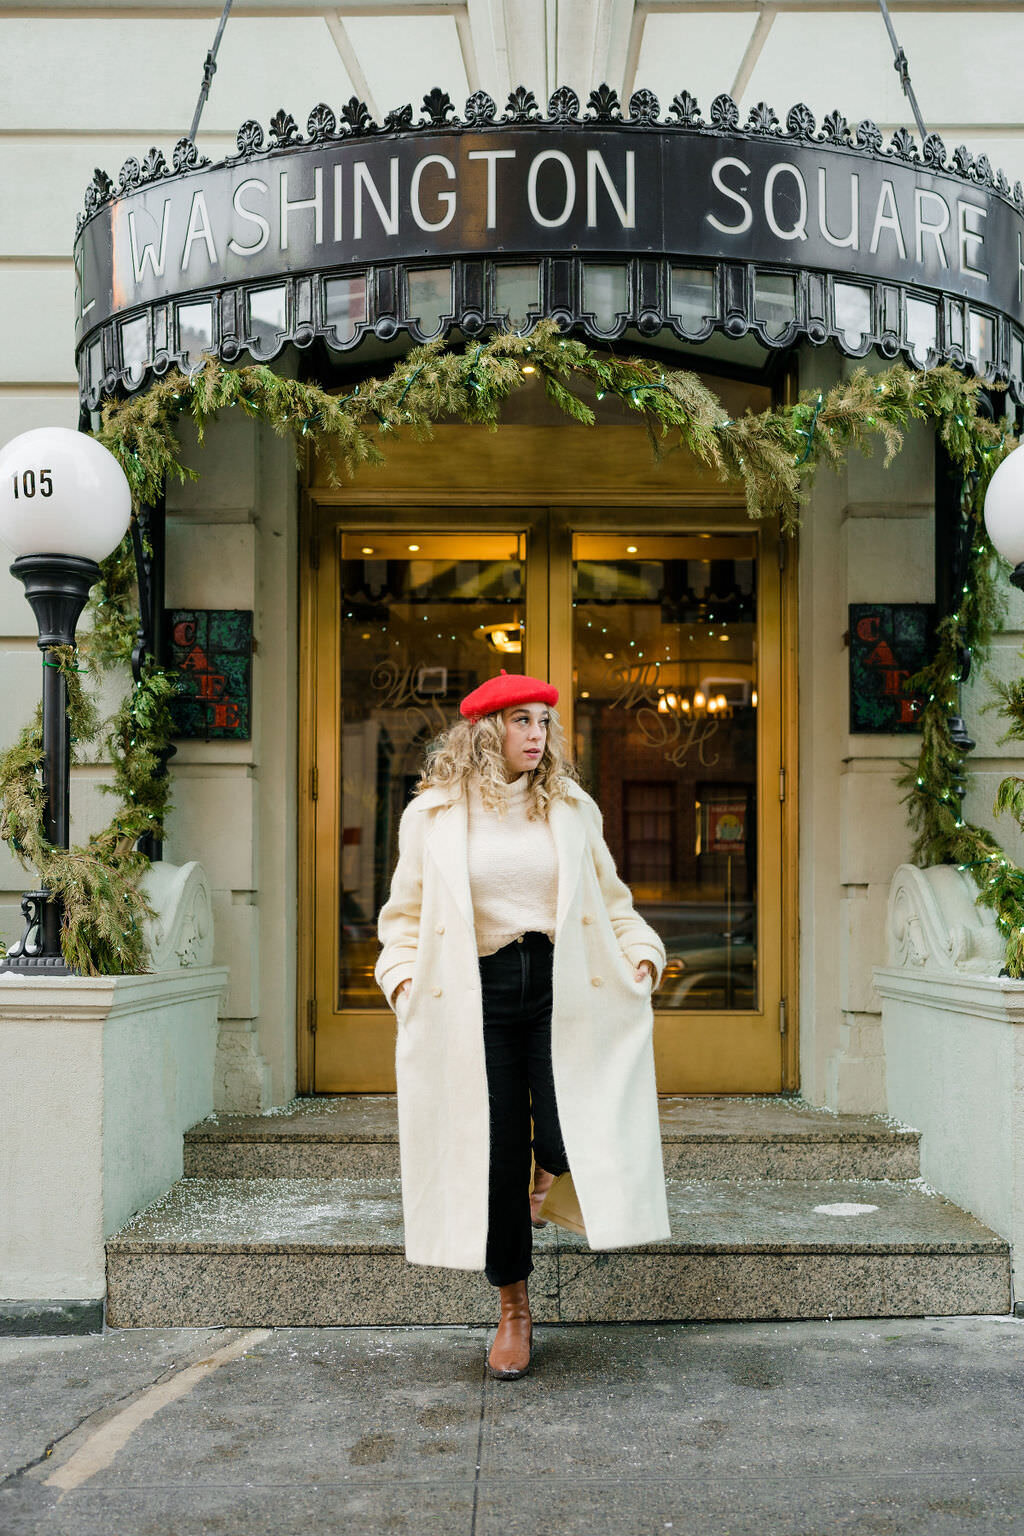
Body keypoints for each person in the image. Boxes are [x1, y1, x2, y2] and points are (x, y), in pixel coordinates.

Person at [375, 670, 670, 1379]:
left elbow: (613, 900)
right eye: (522, 722)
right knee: (494, 1159)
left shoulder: (571, 808)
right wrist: (403, 980)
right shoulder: (434, 815)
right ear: (485, 731)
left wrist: (642, 956)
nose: (537, 736)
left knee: (570, 1132)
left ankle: (550, 1174)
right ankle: (513, 1308)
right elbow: (404, 918)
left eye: (543, 722)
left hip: (562, 983)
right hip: (474, 993)